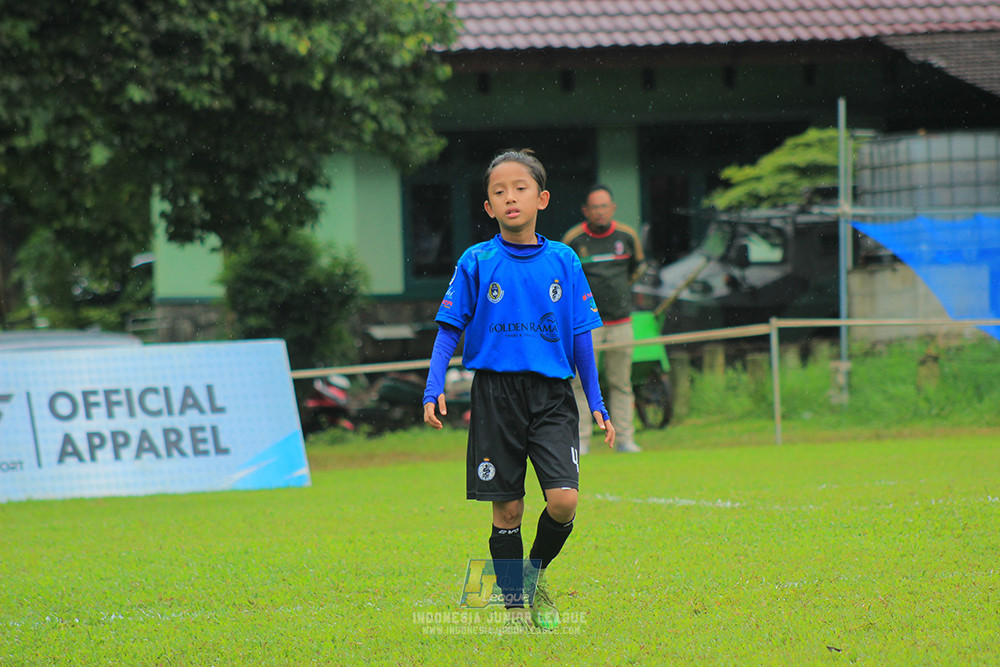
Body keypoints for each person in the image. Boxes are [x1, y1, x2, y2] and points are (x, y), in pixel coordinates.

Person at [422, 149, 615, 630]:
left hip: (552, 396)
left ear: (541, 199)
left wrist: (597, 401)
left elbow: (581, 336)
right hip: (495, 396)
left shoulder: (564, 260)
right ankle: (514, 607)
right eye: (499, 191)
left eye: (520, 188)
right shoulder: (477, 260)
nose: (511, 197)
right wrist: (432, 387)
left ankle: (531, 576)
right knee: (507, 509)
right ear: (489, 207)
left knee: (564, 500)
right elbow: (449, 329)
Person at [562, 185, 646, 454]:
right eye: (594, 207)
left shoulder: (627, 236)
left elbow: (636, 270)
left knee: (621, 382)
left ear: (613, 208)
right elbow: (563, 278)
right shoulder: (573, 239)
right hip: (586, 326)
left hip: (621, 322)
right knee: (580, 383)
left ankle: (625, 439)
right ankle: (581, 441)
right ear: (586, 210)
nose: (600, 212)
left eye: (604, 206)